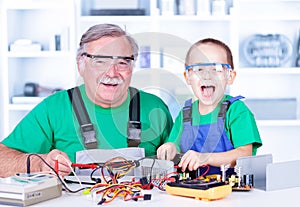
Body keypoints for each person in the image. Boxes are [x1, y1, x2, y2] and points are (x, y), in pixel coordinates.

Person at [0, 24, 173, 178]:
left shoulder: (155, 107)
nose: (112, 73)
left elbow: (182, 165)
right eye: (100, 61)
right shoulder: (54, 108)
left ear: (132, 67)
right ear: (80, 64)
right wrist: (41, 163)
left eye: (122, 62)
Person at [157, 38, 262, 176]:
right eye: (199, 69)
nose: (207, 75)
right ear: (187, 77)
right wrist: (169, 148)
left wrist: (204, 157)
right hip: (191, 189)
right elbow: (174, 147)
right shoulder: (185, 114)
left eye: (216, 69)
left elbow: (244, 154)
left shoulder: (236, 111)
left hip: (231, 191)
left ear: (230, 76)